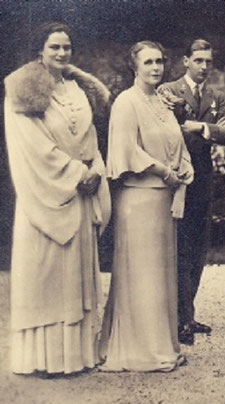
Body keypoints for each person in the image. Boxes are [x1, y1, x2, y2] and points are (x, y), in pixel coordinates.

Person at [4, 22, 111, 375]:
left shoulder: (77, 87)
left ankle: (77, 356)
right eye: (54, 48)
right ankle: (42, 360)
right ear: (40, 50)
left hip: (80, 194)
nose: (62, 54)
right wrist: (77, 173)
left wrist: (96, 167)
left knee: (75, 277)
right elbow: (33, 147)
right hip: (48, 196)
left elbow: (90, 136)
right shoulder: (24, 88)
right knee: (45, 276)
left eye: (67, 47)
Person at [100, 41, 193, 371]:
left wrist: (182, 169)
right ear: (134, 67)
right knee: (142, 276)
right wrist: (165, 171)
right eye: (148, 62)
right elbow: (127, 149)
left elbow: (177, 144)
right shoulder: (126, 102)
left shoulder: (163, 103)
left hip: (163, 200)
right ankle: (142, 351)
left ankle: (162, 345)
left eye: (160, 62)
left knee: (160, 275)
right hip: (139, 199)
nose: (156, 67)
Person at [158, 39, 225, 345]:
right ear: (185, 61)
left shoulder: (215, 96)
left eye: (208, 61)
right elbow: (164, 127)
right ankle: (178, 319)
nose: (205, 66)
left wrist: (199, 127)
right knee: (178, 247)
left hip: (203, 179)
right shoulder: (168, 90)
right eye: (199, 60)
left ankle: (187, 314)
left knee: (198, 248)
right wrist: (199, 126)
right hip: (174, 178)